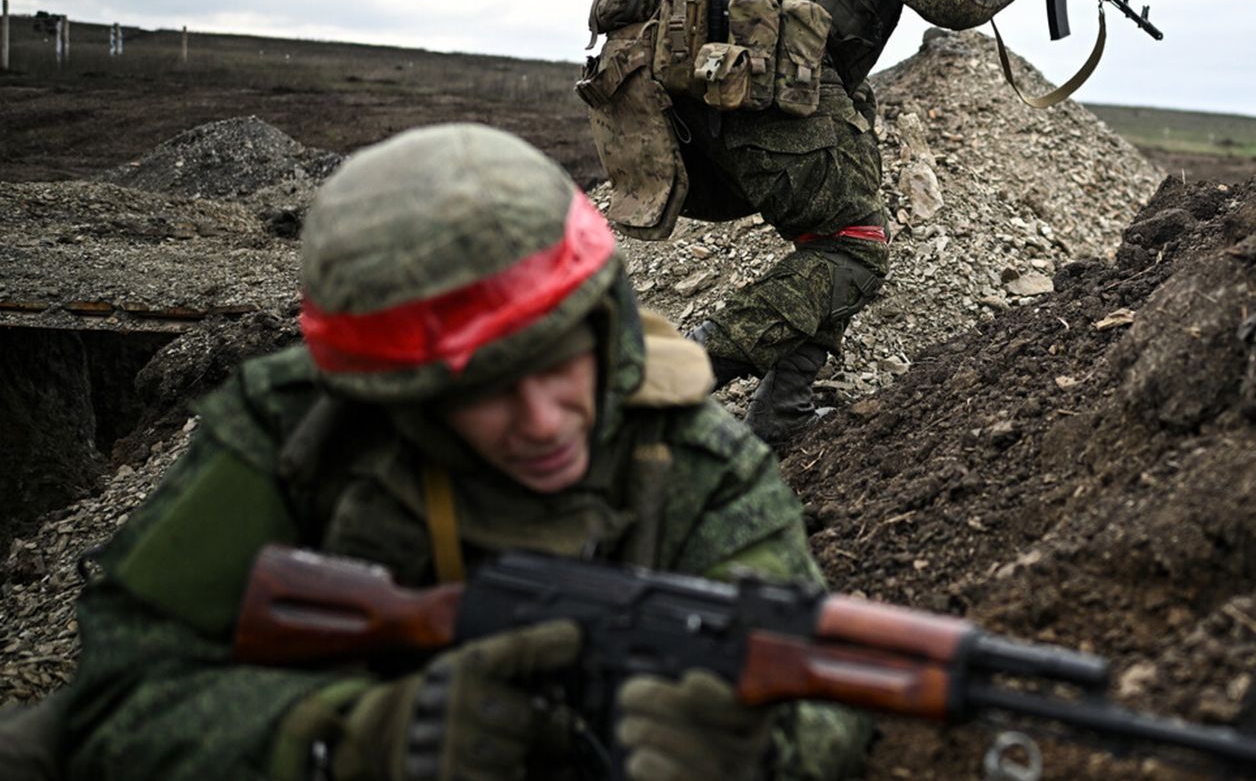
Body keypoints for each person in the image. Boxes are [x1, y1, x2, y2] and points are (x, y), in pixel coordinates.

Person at [57, 123, 868, 780]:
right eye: (486, 389)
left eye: (561, 364)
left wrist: (754, 748)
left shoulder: (691, 459)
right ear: (400, 396)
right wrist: (349, 740)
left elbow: (829, 690)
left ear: (605, 328)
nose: (545, 422)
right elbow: (118, 699)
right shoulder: (297, 434)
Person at [654, 0, 1051, 443]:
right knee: (854, 244)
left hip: (692, 64)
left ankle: (782, 413)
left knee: (836, 229)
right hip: (760, 69)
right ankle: (665, 383)